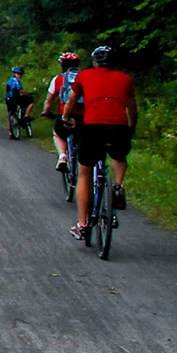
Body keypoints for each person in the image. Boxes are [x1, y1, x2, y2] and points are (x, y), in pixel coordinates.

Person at [61, 45, 137, 241]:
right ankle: (118, 185)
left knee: (85, 172)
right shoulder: (125, 79)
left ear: (95, 62)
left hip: (92, 127)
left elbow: (71, 100)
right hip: (118, 128)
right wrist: (130, 127)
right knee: (119, 156)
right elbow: (132, 109)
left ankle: (83, 224)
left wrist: (66, 117)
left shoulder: (84, 76)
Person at [42, 52, 83, 171]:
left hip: (65, 116)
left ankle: (62, 156)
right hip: (83, 117)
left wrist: (46, 112)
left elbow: (49, 101)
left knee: (58, 133)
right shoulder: (85, 78)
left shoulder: (58, 79)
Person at [4, 66, 35, 136]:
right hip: (14, 98)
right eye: (18, 74)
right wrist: (28, 93)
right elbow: (21, 90)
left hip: (7, 98)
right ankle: (26, 115)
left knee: (10, 113)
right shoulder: (16, 81)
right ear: (14, 74)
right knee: (31, 101)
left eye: (20, 74)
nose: (19, 75)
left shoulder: (10, 80)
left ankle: (10, 132)